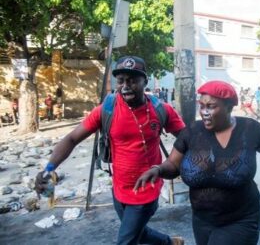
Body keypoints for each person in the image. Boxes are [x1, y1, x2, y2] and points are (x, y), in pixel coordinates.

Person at [134, 80, 260, 245]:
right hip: (202, 220)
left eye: (212, 106)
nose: (204, 112)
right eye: (202, 106)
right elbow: (173, 165)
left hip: (240, 219)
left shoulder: (250, 129)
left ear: (230, 106)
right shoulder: (191, 132)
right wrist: (158, 169)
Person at [35, 56, 186, 245]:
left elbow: (187, 137)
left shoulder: (161, 109)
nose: (126, 85)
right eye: (121, 80)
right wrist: (49, 169)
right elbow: (72, 138)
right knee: (136, 232)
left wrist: (173, 164)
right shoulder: (106, 109)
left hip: (148, 189)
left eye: (133, 80)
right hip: (119, 188)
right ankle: (170, 243)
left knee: (126, 240)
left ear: (145, 81)